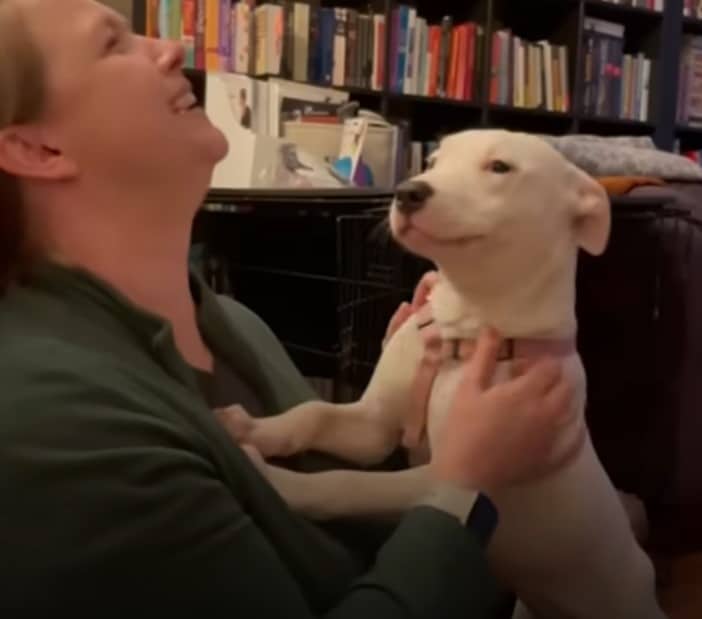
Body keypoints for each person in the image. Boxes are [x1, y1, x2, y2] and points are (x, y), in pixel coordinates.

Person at [0, 1, 578, 617]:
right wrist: (468, 481)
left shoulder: (236, 323)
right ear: (36, 148)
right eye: (112, 43)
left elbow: (340, 524)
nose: (171, 50)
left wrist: (414, 407)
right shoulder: (55, 429)